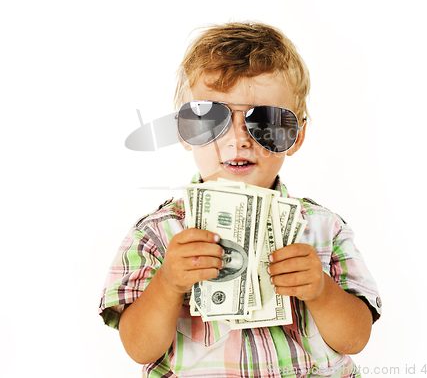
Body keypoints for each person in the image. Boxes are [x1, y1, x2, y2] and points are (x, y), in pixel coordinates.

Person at [99, 22, 382, 378]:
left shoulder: (325, 229)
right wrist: (169, 284)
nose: (239, 138)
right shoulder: (157, 235)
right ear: (183, 132)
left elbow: (355, 339)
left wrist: (322, 291)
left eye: (265, 120)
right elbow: (139, 348)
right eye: (209, 117)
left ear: (296, 136)